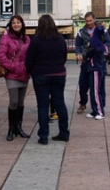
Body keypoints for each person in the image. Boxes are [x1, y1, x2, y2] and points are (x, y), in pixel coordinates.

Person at [25, 14, 70, 145]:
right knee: (60, 104)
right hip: (59, 73)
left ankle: (43, 136)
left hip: (41, 75)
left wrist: (31, 71)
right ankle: (64, 133)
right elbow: (64, 56)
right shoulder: (60, 39)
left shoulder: (36, 40)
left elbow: (29, 60)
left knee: (43, 106)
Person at [0, 15, 31, 141]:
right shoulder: (5, 38)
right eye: (13, 23)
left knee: (21, 102)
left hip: (24, 73)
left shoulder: (27, 39)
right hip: (12, 73)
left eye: (18, 22)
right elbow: (1, 56)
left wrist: (28, 67)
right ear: (10, 25)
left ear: (22, 24)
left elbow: (30, 54)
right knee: (14, 101)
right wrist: (14, 67)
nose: (16, 24)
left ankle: (18, 127)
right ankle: (11, 128)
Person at [75, 12, 110, 114]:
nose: (89, 23)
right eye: (87, 21)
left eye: (90, 20)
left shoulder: (101, 30)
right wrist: (78, 53)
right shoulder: (81, 32)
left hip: (99, 61)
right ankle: (83, 103)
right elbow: (78, 44)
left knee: (99, 85)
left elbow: (108, 42)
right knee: (82, 84)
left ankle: (100, 106)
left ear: (94, 19)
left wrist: (104, 50)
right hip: (86, 61)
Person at [85, 25, 108, 120]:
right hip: (96, 68)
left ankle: (99, 111)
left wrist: (88, 56)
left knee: (95, 91)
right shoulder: (101, 43)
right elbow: (106, 52)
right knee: (93, 90)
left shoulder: (94, 42)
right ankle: (95, 111)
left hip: (95, 68)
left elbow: (89, 53)